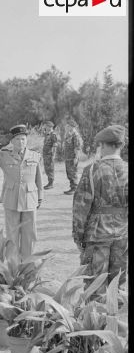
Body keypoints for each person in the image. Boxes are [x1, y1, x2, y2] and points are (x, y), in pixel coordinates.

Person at [72, 124, 128, 293]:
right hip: (123, 233)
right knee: (117, 283)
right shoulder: (127, 169)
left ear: (103, 145)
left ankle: (96, 318)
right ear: (120, 145)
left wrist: (78, 236)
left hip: (97, 234)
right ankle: (112, 317)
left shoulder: (92, 170)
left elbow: (81, 208)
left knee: (95, 283)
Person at [0, 124, 43, 260]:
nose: (21, 142)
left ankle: (28, 263)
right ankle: (12, 265)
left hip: (30, 199)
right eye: (17, 139)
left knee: (29, 234)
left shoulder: (35, 155)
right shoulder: (3, 155)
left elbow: (39, 178)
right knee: (12, 234)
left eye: (23, 139)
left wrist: (40, 197)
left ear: (27, 140)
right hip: (11, 199)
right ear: (11, 141)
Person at [62, 119, 83, 195]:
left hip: (72, 158)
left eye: (67, 126)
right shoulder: (69, 134)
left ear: (71, 126)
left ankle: (74, 188)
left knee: (73, 173)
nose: (66, 127)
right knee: (69, 173)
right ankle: (72, 187)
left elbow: (77, 148)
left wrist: (76, 158)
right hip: (68, 157)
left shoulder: (75, 135)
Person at [42, 121, 59, 190]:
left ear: (49, 127)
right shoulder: (47, 134)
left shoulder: (53, 135)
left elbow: (55, 145)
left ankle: (51, 183)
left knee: (50, 169)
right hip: (46, 155)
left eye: (46, 126)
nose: (44, 127)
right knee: (47, 169)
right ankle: (49, 183)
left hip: (50, 155)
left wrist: (53, 155)